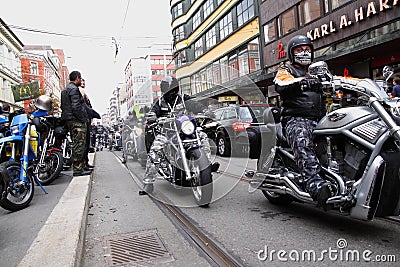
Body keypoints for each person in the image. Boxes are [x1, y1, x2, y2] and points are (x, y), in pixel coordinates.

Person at [273, 35, 335, 209]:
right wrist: (304, 82)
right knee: (302, 139)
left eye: (307, 49)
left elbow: (340, 81)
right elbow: (281, 83)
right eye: (299, 50)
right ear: (292, 54)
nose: (304, 53)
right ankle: (315, 184)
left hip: (322, 119)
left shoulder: (319, 72)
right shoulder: (286, 70)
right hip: (296, 118)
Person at [140, 76, 219, 194]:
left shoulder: (183, 99)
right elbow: (153, 111)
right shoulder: (159, 102)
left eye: (173, 89)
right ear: (164, 90)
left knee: (202, 137)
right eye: (169, 90)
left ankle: (206, 166)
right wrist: (152, 116)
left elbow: (195, 105)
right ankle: (148, 183)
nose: (172, 92)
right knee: (155, 150)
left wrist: (204, 111)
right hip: (167, 132)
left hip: (185, 130)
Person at [61, 71, 91, 177]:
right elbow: (76, 107)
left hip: (70, 120)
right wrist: (83, 119)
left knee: (77, 144)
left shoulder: (66, 89)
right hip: (77, 121)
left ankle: (80, 168)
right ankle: (78, 170)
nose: (80, 80)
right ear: (77, 78)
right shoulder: (73, 89)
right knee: (79, 145)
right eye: (80, 78)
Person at [79, 78, 95, 169]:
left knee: (86, 143)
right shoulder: (79, 91)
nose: (83, 83)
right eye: (82, 81)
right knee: (84, 143)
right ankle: (83, 164)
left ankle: (86, 162)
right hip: (84, 120)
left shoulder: (84, 92)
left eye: (84, 82)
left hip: (87, 119)